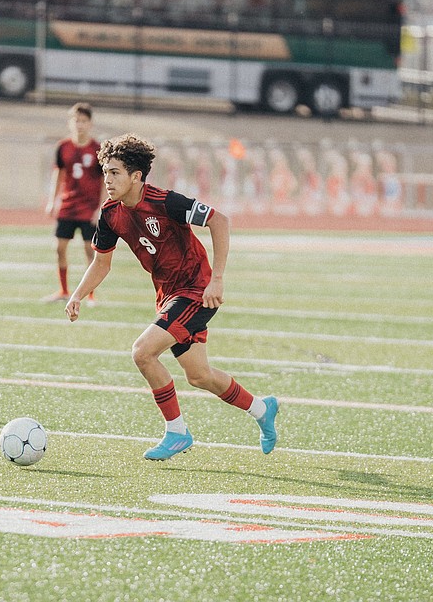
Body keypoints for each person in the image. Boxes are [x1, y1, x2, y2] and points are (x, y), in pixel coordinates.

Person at [65, 133, 279, 460]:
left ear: (136, 176)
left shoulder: (166, 202)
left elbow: (219, 221)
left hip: (196, 290)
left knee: (142, 352)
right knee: (200, 375)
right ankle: (262, 409)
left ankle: (177, 432)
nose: (107, 180)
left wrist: (217, 280)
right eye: (105, 172)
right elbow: (101, 262)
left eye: (115, 173)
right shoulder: (110, 215)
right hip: (169, 296)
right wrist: (79, 294)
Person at [45, 102, 104, 303]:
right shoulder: (63, 147)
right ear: (71, 123)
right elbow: (58, 175)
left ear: (90, 124)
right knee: (59, 248)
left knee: (90, 251)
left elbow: (105, 181)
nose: (79, 125)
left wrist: (100, 208)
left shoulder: (97, 149)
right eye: (76, 120)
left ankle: (90, 295)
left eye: (84, 121)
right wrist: (53, 201)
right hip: (68, 206)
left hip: (89, 208)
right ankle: (63, 291)